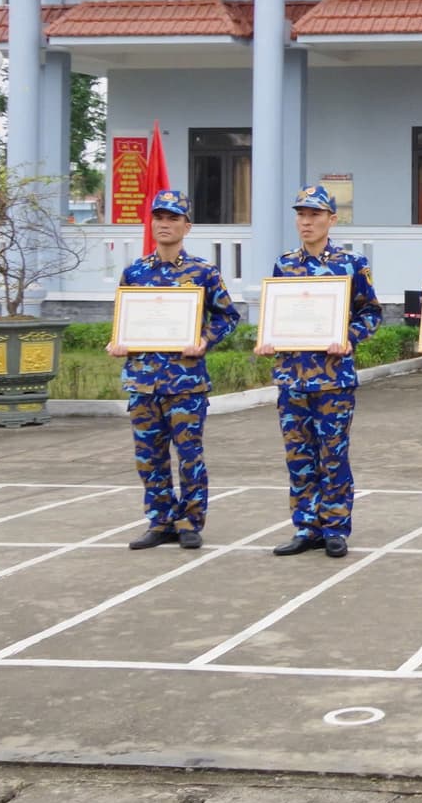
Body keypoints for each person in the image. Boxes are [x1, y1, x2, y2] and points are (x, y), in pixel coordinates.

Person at [106, 189, 240, 550]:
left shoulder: (203, 273)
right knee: (149, 456)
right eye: (159, 218)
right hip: (143, 382)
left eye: (173, 218)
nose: (165, 225)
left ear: (187, 226)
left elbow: (228, 317)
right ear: (151, 224)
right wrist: (117, 342)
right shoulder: (134, 272)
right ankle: (160, 520)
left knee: (189, 455)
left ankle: (190, 521)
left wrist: (204, 340)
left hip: (185, 383)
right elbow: (123, 321)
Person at [254, 186, 383, 559]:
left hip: (332, 379)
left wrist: (349, 337)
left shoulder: (351, 263)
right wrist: (269, 340)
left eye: (314, 215)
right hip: (292, 377)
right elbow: (278, 316)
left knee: (333, 455)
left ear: (331, 219)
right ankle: (306, 526)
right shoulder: (285, 264)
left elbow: (371, 313)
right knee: (298, 455)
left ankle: (336, 527)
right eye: (301, 215)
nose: (306, 222)